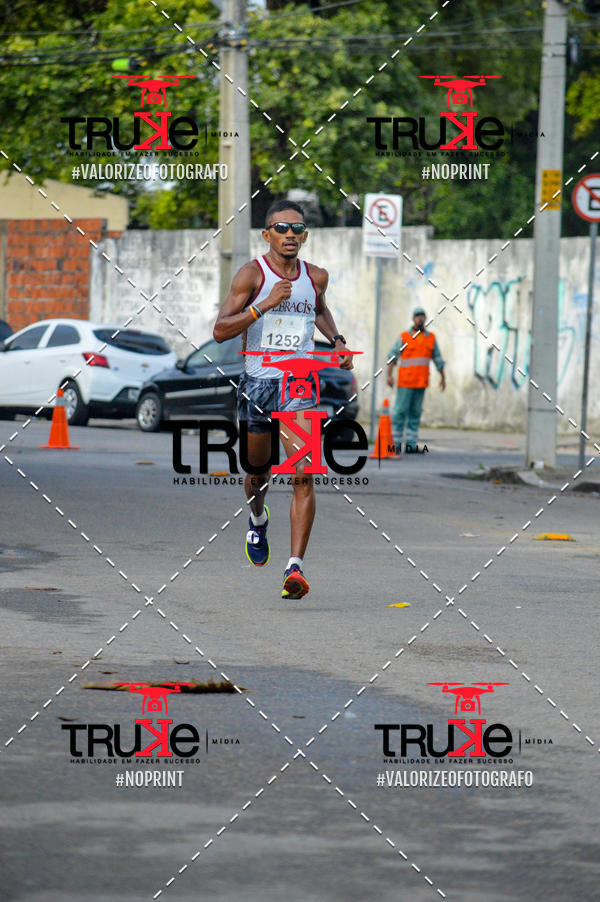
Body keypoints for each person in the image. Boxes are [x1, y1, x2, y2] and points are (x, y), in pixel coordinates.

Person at [213, 199, 354, 599]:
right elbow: (221, 331)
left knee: (303, 474)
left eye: (297, 229)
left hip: (299, 386)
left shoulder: (317, 277)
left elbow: (319, 311)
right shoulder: (251, 275)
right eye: (282, 228)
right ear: (267, 234)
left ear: (305, 235)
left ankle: (295, 568)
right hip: (258, 384)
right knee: (258, 472)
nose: (290, 235)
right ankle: (257, 519)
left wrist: (338, 341)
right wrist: (263, 306)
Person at [386, 306, 445, 450]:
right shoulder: (404, 337)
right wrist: (389, 375)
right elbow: (393, 356)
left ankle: (411, 445)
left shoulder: (430, 338)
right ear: (413, 319)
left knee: (415, 413)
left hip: (421, 382)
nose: (420, 318)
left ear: (425, 319)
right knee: (400, 412)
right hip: (406, 382)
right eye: (417, 316)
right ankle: (396, 444)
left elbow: (438, 360)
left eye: (422, 316)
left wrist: (443, 378)